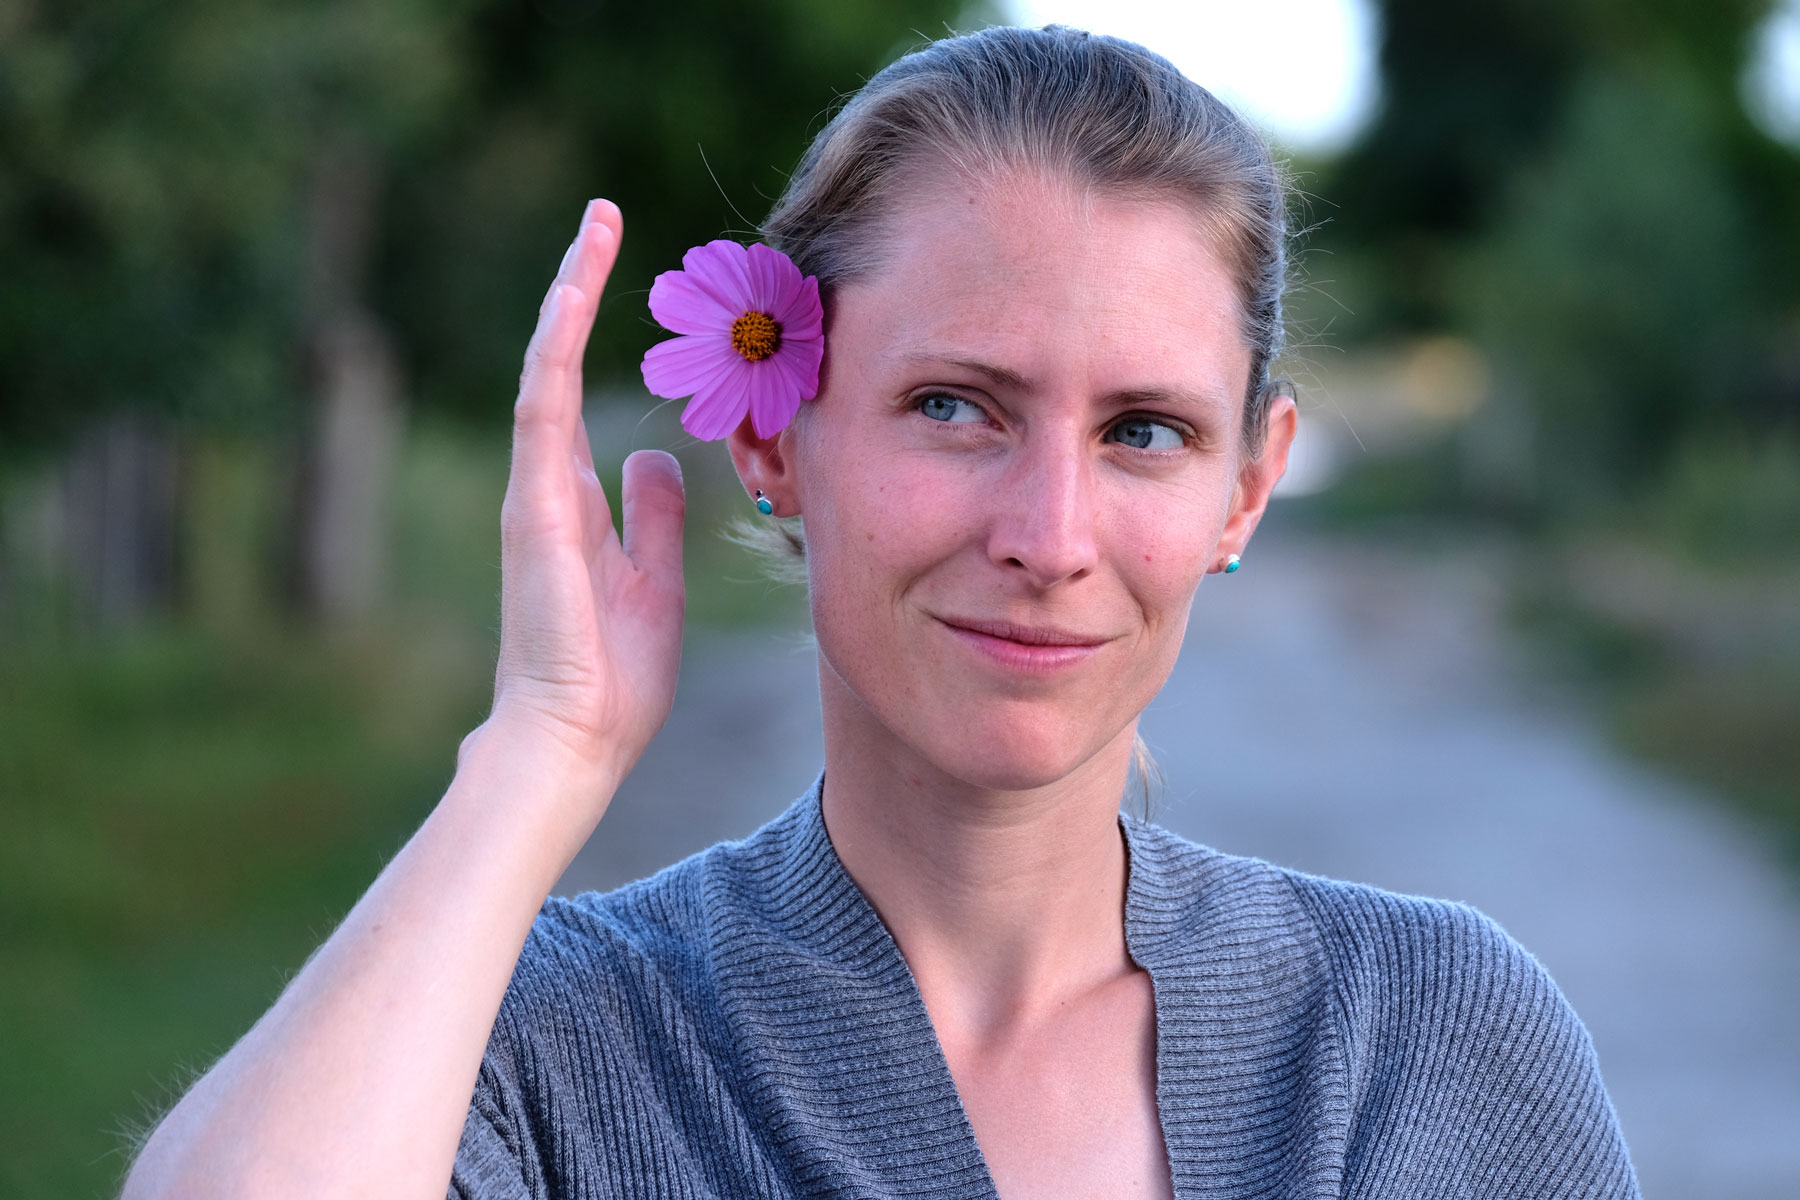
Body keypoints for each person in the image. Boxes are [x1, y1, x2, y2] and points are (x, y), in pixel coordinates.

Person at [123, 25, 1641, 1200]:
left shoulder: (1429, 1045)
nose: (1050, 537)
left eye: (1146, 433)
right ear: (778, 437)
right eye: (955, 406)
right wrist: (544, 749)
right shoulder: (540, 1049)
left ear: (1249, 485)